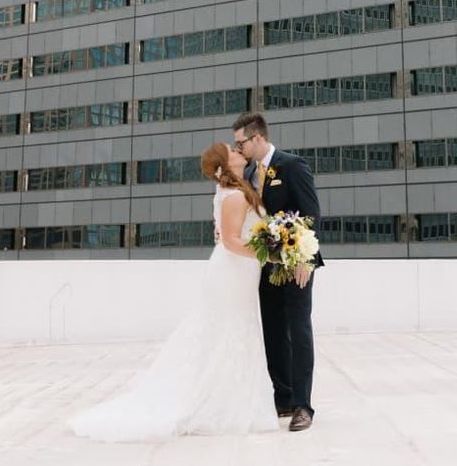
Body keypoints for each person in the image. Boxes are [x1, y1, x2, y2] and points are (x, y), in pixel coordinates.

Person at [69, 143, 278, 442]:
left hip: (241, 272)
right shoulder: (233, 196)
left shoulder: (237, 190)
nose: (237, 151)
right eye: (231, 151)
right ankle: (214, 402)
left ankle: (232, 398)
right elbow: (231, 241)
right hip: (232, 272)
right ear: (225, 163)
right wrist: (269, 254)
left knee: (235, 330)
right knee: (227, 331)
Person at [232, 113, 323, 432]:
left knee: (298, 330)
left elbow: (311, 214)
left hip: (296, 261)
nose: (238, 148)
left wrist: (305, 259)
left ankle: (302, 405)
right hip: (265, 265)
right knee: (273, 331)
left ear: (257, 138)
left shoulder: (292, 165)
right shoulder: (246, 172)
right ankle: (282, 398)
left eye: (240, 142)